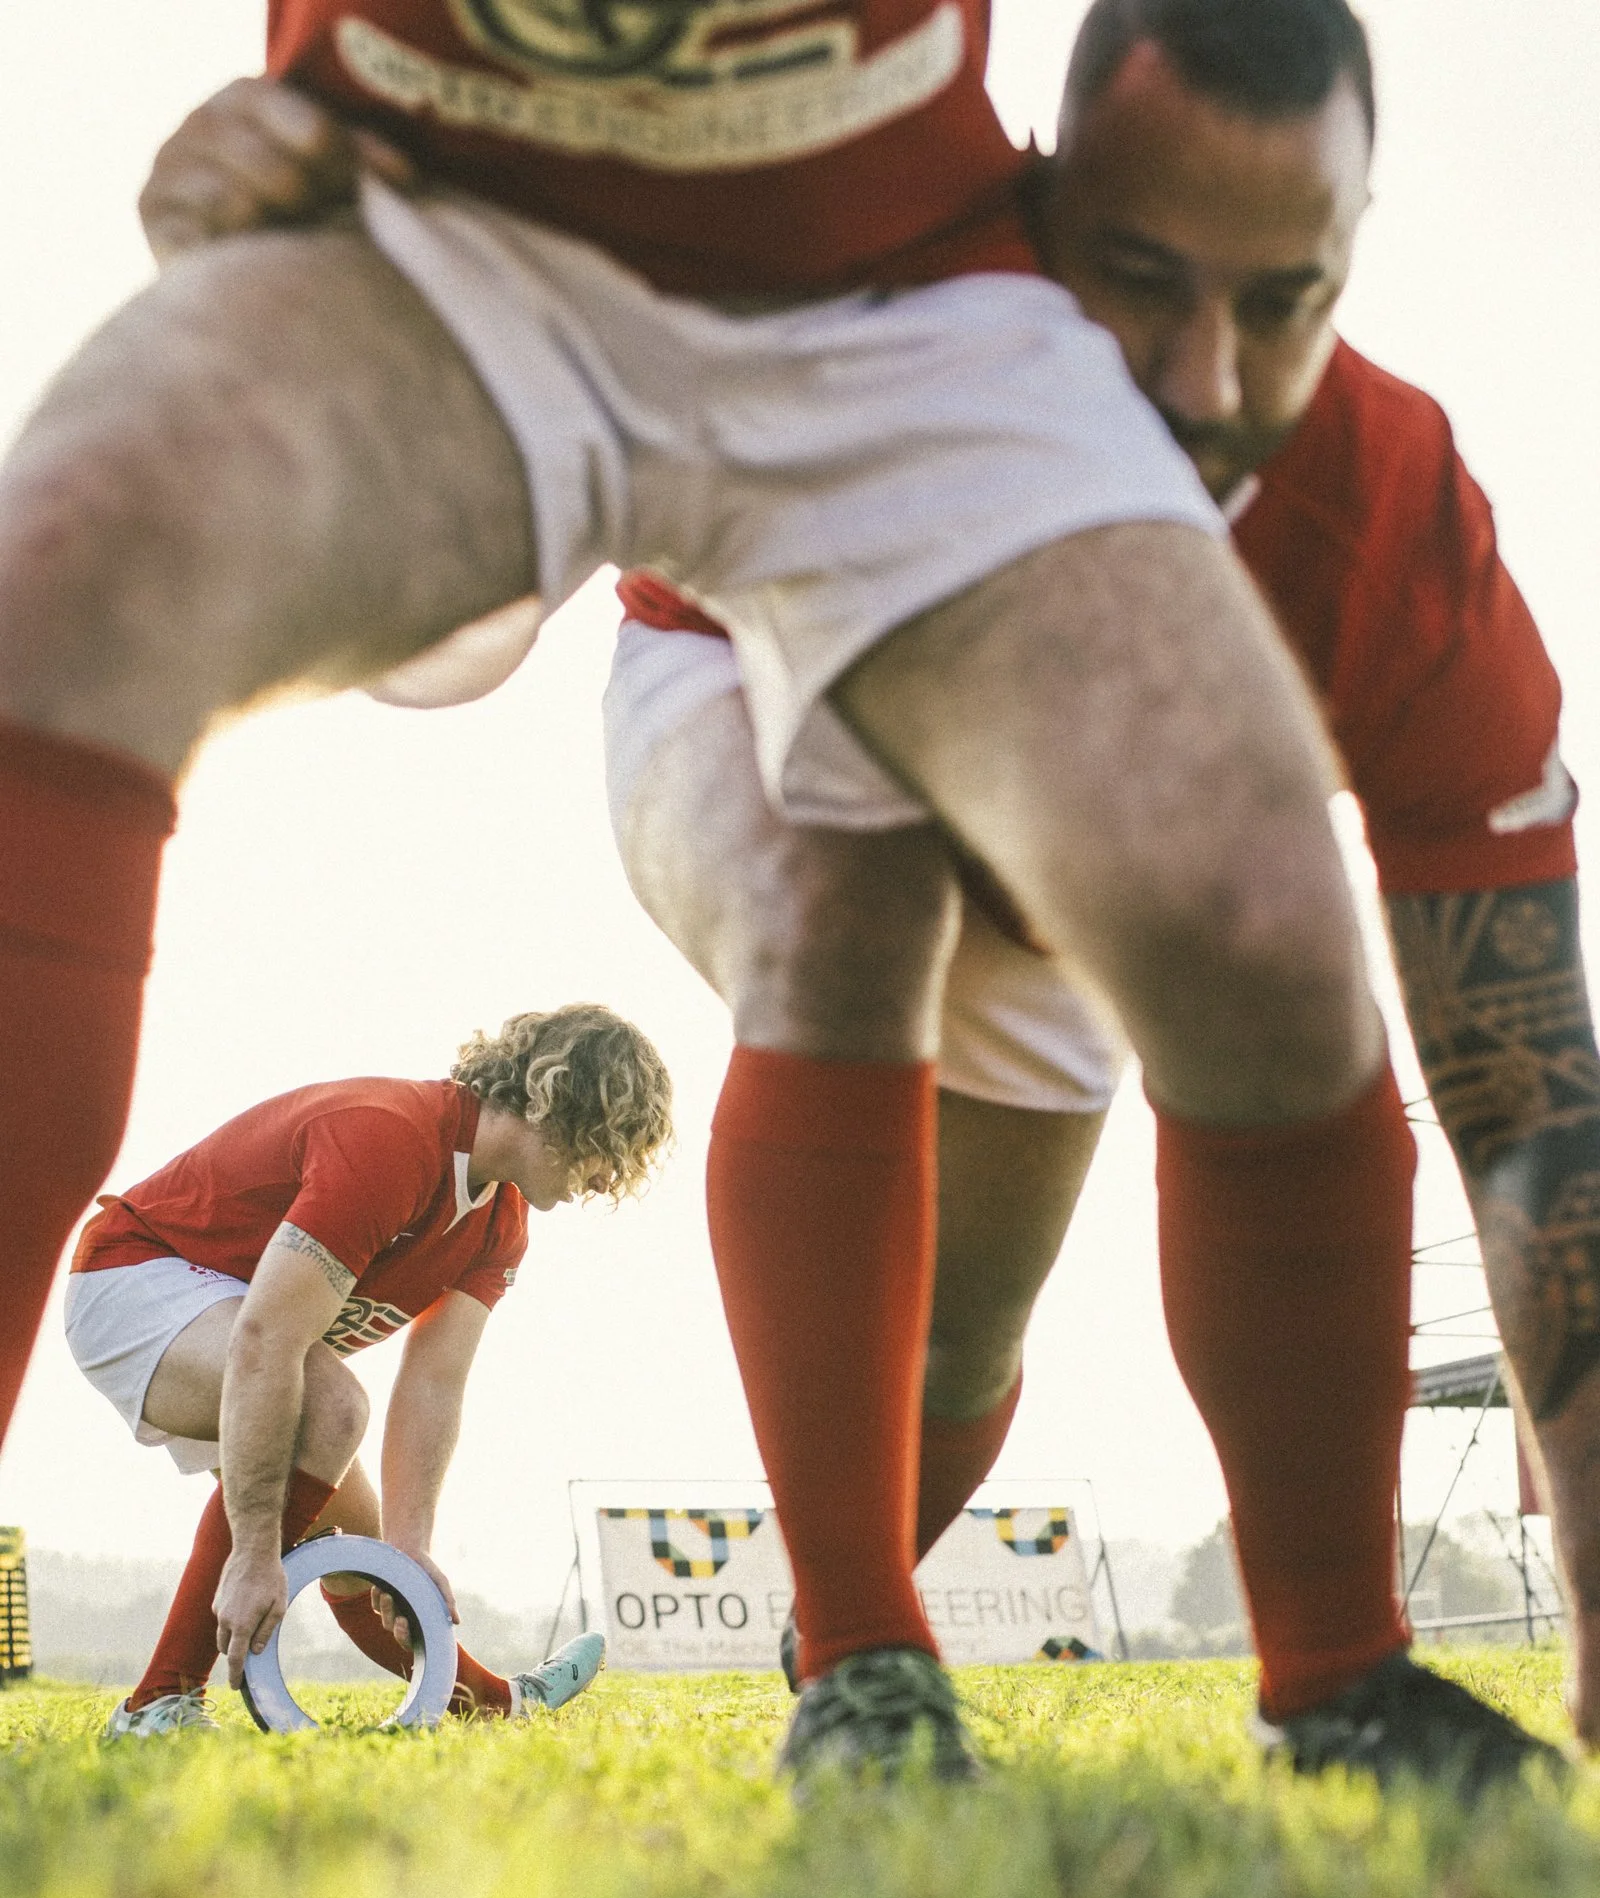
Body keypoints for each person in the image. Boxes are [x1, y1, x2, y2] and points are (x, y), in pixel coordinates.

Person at [141, 0, 1579, 1794]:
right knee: (838, 893)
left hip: (1083, 844)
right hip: (730, 661)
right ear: (1031, 205)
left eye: (1284, 299)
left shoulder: (1392, 524)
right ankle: (865, 1664)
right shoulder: (868, 275)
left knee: (979, 1319)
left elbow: (1531, 1104)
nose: (1205, 385)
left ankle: (1330, 1677)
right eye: (1138, 278)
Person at [66, 1005, 672, 1734]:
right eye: (614, 1145)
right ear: (557, 1099)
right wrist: (255, 1552)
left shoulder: (503, 1223)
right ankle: (157, 1704)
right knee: (333, 1412)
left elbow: (433, 1385)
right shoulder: (392, 1139)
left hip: (242, 1326)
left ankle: (499, 1704)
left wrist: (409, 1550)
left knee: (360, 1548)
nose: (608, 1180)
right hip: (134, 1275)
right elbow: (265, 1339)